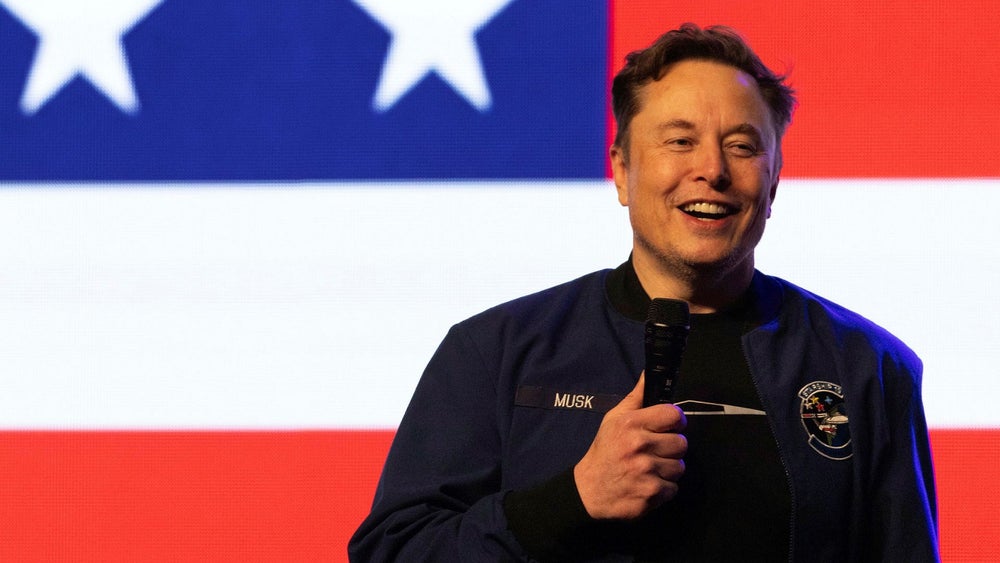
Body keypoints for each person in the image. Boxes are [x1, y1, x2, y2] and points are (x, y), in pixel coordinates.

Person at [349, 23, 939, 562]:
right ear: (622, 172)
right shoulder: (495, 352)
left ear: (775, 180)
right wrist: (574, 499)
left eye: (742, 145)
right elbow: (393, 550)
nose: (712, 169)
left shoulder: (867, 368)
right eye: (679, 141)